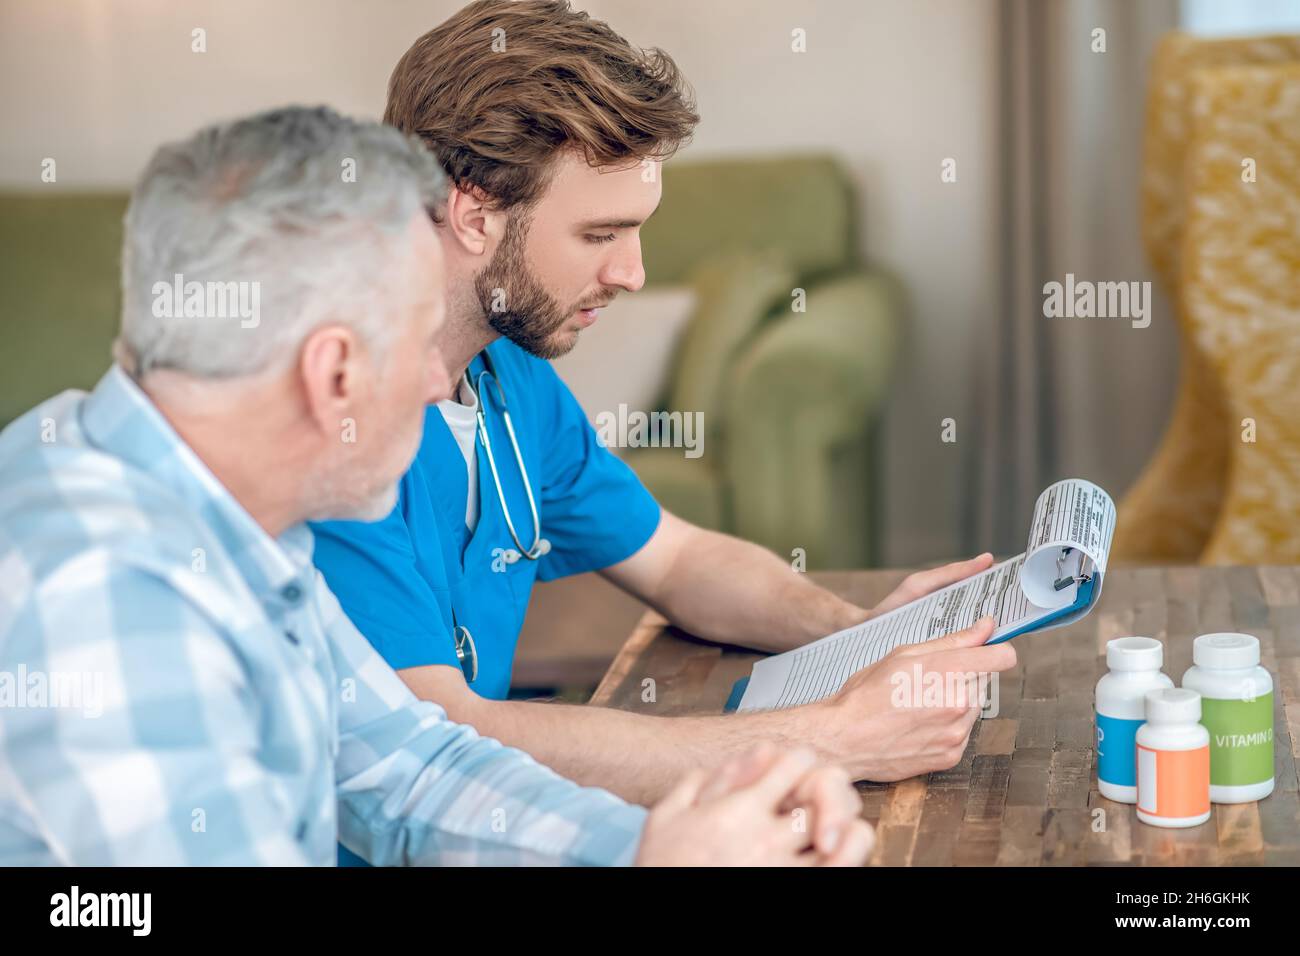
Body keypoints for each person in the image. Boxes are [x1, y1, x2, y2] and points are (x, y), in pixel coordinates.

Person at [0, 106, 872, 867]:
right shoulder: (107, 598)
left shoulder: (242, 518)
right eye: (422, 341)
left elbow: (414, 769)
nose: (440, 383)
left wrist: (653, 848)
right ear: (333, 374)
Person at [312, 0, 1016, 820]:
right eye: (599, 235)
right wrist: (838, 737)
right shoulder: (334, 419)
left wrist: (860, 633)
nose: (634, 273)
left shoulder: (509, 378)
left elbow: (678, 561)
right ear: (473, 214)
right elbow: (445, 741)